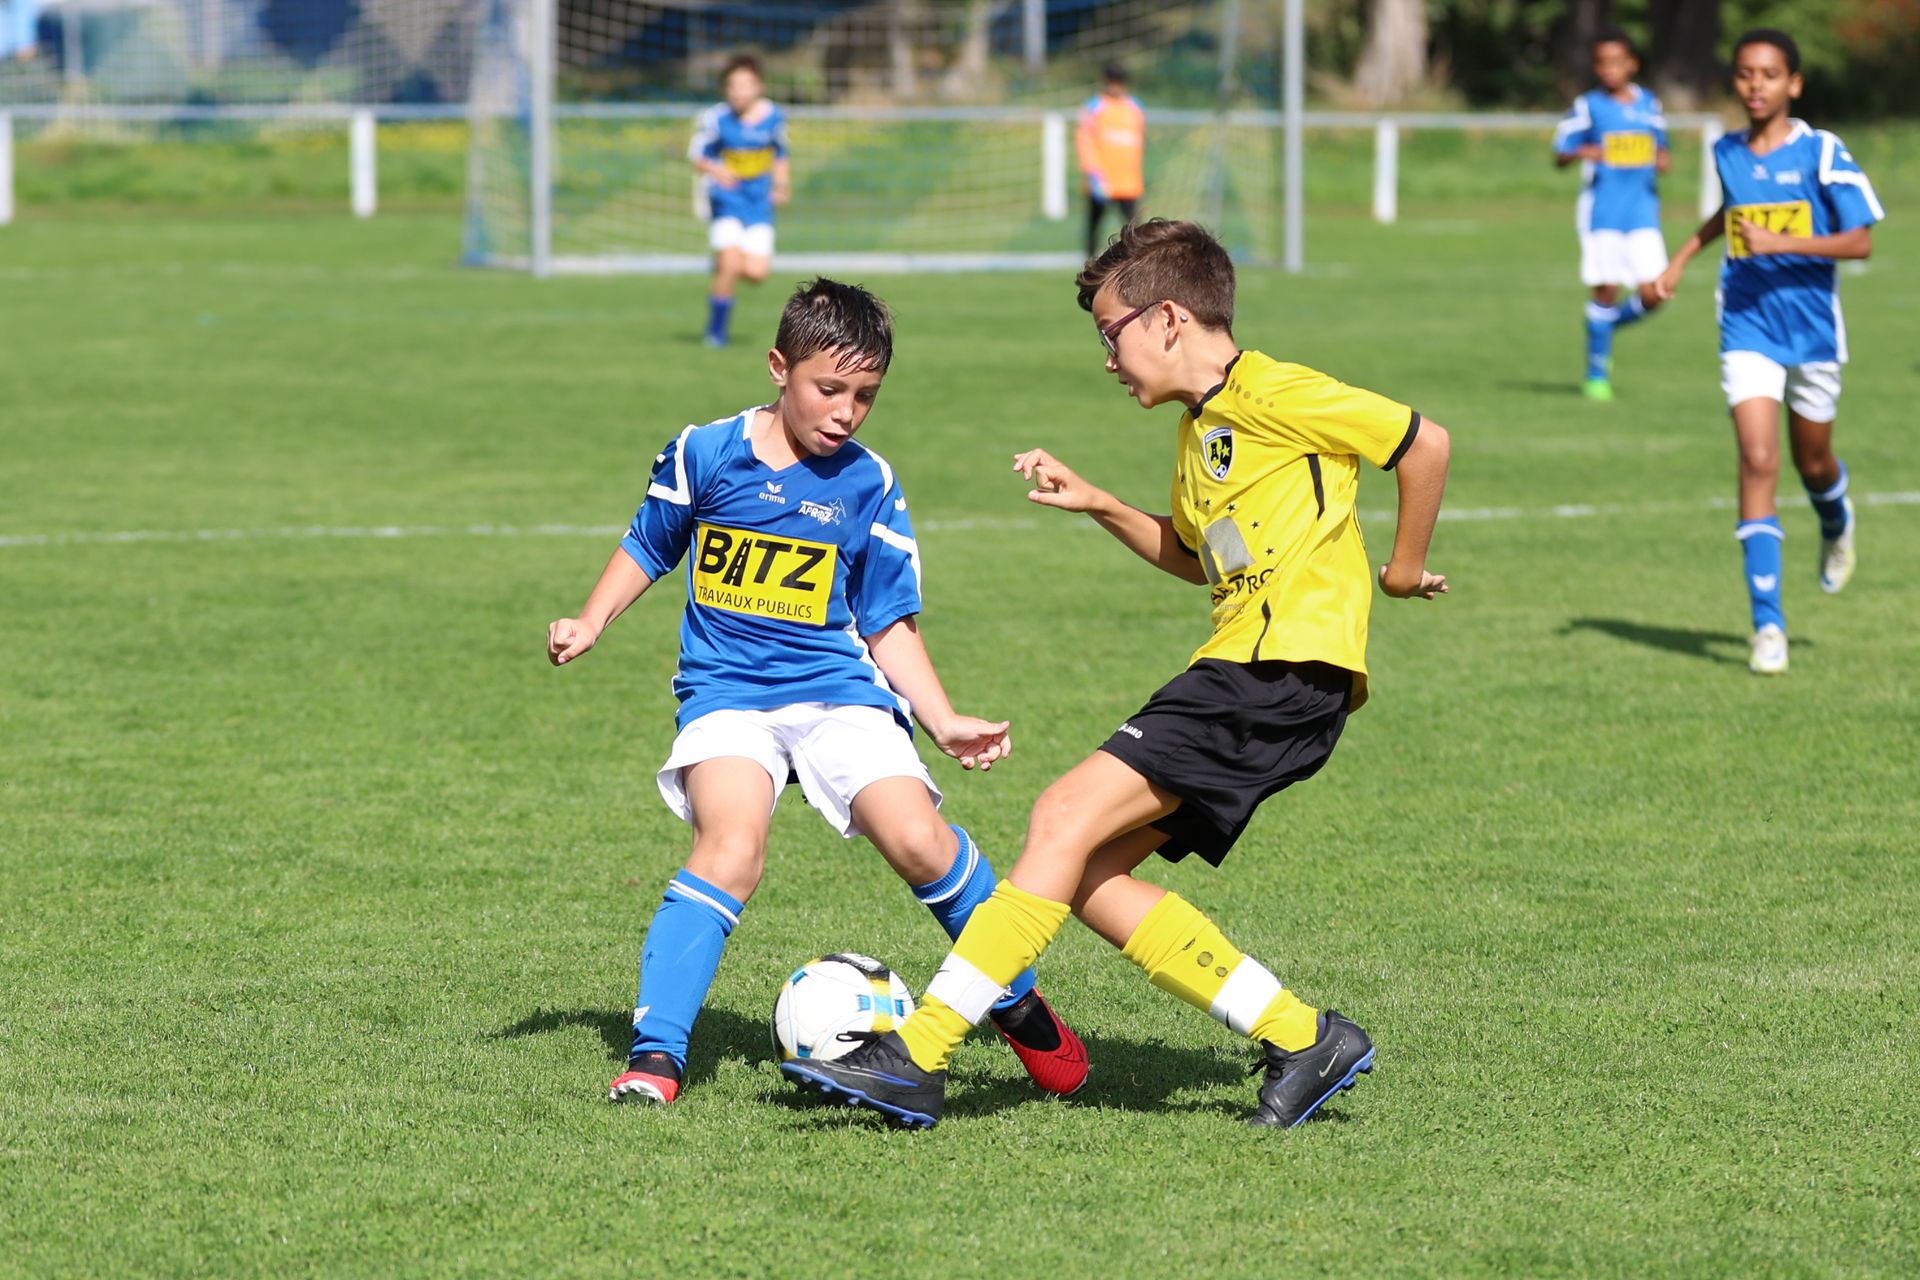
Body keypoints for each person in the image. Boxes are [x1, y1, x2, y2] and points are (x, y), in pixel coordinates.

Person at [781, 220, 1452, 1130]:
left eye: (1111, 333)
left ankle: (920, 1054)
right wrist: (1099, 501)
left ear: (1168, 318)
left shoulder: (1275, 390)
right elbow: (1197, 558)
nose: (1107, 359)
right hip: (1253, 672)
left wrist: (1403, 571)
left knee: (1061, 814)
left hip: (1278, 666)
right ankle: (1304, 1037)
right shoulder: (1199, 429)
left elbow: (1422, 442)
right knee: (1088, 875)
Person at [547, 278, 1089, 1105]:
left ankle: (1017, 1002)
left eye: (865, 396)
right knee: (730, 849)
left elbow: (887, 621)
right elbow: (650, 543)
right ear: (779, 367)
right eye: (828, 389)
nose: (846, 412)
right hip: (728, 696)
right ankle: (656, 1058)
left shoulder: (870, 483)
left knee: (918, 839)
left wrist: (942, 718)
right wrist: (591, 620)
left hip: (839, 692)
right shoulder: (705, 452)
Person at [1652, 29, 1882, 676]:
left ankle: (1835, 518)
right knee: (1757, 459)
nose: (1756, 85)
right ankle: (1768, 627)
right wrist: (1681, 257)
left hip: (1812, 332)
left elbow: (1860, 241)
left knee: (1814, 463)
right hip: (1746, 323)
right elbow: (1731, 212)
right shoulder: (1726, 150)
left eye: (1770, 74)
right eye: (1746, 74)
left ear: (1794, 84)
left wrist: (1781, 244)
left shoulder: (1822, 150)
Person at [1552, 27, 1671, 401]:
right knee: (1606, 289)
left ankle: (1604, 326)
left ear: (1632, 64)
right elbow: (1561, 154)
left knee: (1657, 291)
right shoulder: (1588, 106)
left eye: (1616, 62)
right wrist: (1583, 152)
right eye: (1602, 63)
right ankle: (1596, 375)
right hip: (1602, 212)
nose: (1609, 69)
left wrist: (1660, 158)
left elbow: (1662, 152)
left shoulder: (1649, 104)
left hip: (1642, 210)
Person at [688, 55, 790, 348]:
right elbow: (697, 157)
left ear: (759, 86)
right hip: (726, 201)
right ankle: (716, 331)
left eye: (746, 84)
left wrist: (782, 185)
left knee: (757, 273)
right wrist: (718, 170)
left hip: (758, 204)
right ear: (725, 89)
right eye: (733, 85)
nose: (739, 91)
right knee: (730, 265)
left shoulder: (774, 117)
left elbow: (780, 155)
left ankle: (723, 262)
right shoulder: (715, 119)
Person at [1076, 63, 1146, 259]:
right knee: (1095, 224)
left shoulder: (1135, 108)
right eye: (1112, 82)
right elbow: (1084, 141)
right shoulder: (1094, 107)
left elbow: (1137, 143)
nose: (1116, 87)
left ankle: (1138, 264)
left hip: (1128, 181)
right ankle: (1089, 262)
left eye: (1119, 83)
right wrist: (1092, 172)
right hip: (1101, 179)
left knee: (1135, 228)